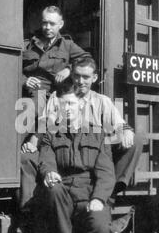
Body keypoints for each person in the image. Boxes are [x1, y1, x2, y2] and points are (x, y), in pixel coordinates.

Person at [0, 6, 88, 233]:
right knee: (24, 154)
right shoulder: (27, 43)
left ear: (61, 25)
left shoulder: (68, 47)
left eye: (52, 24)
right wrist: (25, 79)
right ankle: (27, 218)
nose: (47, 27)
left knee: (35, 135)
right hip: (27, 98)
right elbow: (7, 64)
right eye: (44, 23)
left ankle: (34, 141)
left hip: (52, 100)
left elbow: (88, 60)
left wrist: (70, 70)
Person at [35, 79, 116, 233]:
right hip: (63, 195)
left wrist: (100, 198)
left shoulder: (97, 133)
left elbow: (106, 172)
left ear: (80, 105)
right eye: (62, 105)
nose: (67, 109)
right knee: (53, 189)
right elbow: (46, 160)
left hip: (89, 194)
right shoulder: (51, 134)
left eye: (71, 103)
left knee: (101, 228)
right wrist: (48, 172)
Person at [46, 57, 144, 197]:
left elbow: (118, 123)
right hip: (66, 152)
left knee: (135, 140)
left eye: (86, 77)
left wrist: (126, 130)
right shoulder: (57, 98)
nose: (80, 81)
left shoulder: (102, 101)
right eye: (77, 76)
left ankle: (109, 192)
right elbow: (47, 129)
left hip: (94, 151)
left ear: (95, 78)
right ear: (71, 75)